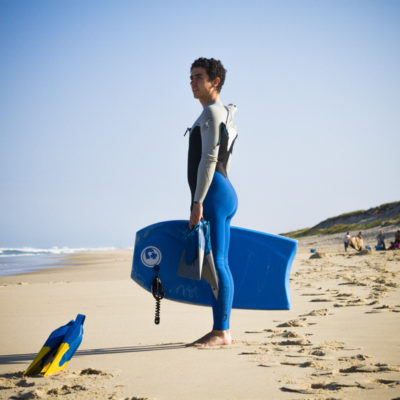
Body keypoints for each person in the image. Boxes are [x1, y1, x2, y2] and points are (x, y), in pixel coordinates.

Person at [186, 57, 238, 347]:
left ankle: (221, 332)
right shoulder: (222, 114)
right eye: (190, 77)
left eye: (198, 77)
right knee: (219, 262)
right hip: (221, 191)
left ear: (214, 81)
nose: (192, 82)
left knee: (216, 263)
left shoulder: (212, 113)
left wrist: (197, 202)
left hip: (215, 194)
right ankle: (221, 329)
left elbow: (208, 160)